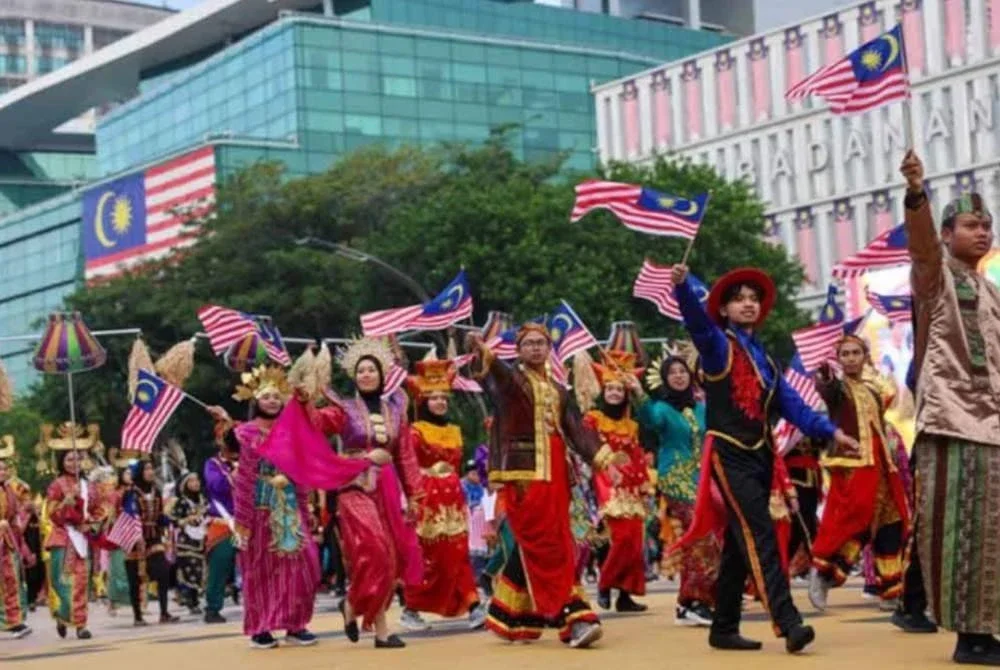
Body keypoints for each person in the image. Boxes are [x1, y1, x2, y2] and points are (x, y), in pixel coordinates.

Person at [670, 264, 860, 654]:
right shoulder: (716, 344)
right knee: (761, 535)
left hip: (760, 455)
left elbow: (793, 406)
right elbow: (695, 323)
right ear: (723, 309)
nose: (748, 305)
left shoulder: (767, 362)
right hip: (728, 452)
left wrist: (832, 431)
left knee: (742, 545)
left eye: (753, 299)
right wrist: (682, 289)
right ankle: (788, 622)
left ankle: (722, 627)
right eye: (739, 299)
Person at [900, 151, 1000, 665]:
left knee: (992, 534)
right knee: (959, 532)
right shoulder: (935, 279)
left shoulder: (991, 292)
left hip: (994, 428)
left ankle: (988, 628)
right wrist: (918, 194)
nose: (982, 232)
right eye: (970, 225)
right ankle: (969, 637)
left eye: (987, 225)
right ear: (946, 233)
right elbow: (919, 248)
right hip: (952, 422)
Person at [209, 365, 373, 650]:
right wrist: (243, 518)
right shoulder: (246, 432)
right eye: (266, 396)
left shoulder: (291, 431)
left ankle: (295, 624)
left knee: (305, 563)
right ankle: (261, 628)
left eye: (277, 396)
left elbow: (302, 468)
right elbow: (245, 474)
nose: (272, 401)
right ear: (255, 400)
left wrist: (306, 508)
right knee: (261, 569)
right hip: (260, 508)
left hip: (290, 506)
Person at [465, 323, 606, 649]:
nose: (536, 348)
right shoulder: (512, 383)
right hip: (524, 475)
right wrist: (480, 350)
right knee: (548, 544)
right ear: (518, 349)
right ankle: (574, 616)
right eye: (528, 343)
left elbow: (575, 429)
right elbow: (494, 374)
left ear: (549, 348)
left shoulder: (558, 389)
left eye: (541, 343)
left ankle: (509, 614)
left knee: (547, 540)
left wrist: (604, 458)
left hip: (557, 475)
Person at [293, 339, 422, 649]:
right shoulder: (344, 409)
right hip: (354, 487)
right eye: (360, 370)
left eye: (371, 370)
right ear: (354, 376)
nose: (365, 375)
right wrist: (305, 400)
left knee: (390, 559)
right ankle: (354, 605)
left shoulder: (396, 408)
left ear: (381, 374)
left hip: (388, 488)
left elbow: (405, 455)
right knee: (373, 552)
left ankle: (377, 628)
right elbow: (317, 423)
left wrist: (415, 494)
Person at [807, 335, 910, 611]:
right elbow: (827, 390)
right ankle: (823, 571)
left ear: (865, 356)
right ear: (838, 359)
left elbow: (888, 398)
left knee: (893, 521)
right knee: (855, 518)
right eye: (845, 354)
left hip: (882, 466)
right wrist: (826, 376)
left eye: (856, 353)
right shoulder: (839, 389)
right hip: (854, 465)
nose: (851, 358)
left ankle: (891, 589)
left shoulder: (872, 390)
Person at [399, 359, 486, 631]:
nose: (439, 402)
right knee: (430, 557)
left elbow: (458, 466)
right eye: (433, 398)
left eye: (443, 398)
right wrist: (411, 499)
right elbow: (407, 466)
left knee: (459, 554)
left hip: (453, 498)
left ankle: (473, 606)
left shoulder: (455, 431)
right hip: (428, 498)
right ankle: (411, 608)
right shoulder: (414, 431)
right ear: (423, 401)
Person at [636, 353, 715, 626]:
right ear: (665, 379)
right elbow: (649, 420)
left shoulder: (701, 408)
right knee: (699, 536)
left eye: (683, 371)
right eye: (673, 373)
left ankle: (691, 603)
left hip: (702, 479)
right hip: (675, 478)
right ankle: (694, 602)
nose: (679, 376)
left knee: (708, 537)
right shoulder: (660, 408)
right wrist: (638, 395)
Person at [582, 350, 649, 614]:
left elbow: (637, 455)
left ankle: (625, 595)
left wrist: (643, 483)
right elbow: (587, 448)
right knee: (620, 538)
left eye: (619, 389)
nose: (613, 393)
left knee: (634, 540)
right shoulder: (593, 419)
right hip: (605, 482)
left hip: (631, 485)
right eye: (609, 388)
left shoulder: (631, 425)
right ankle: (605, 583)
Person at [44, 448, 94, 639]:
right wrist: (65, 502)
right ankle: (63, 615)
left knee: (81, 581)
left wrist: (90, 525)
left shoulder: (87, 485)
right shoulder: (57, 485)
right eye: (69, 459)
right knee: (64, 582)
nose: (73, 463)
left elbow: (99, 509)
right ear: (62, 462)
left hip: (81, 538)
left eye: (76, 459)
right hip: (63, 537)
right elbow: (51, 512)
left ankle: (81, 624)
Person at [124, 460, 178, 626]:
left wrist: (168, 520)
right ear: (140, 472)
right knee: (135, 579)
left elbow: (160, 513)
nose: (150, 471)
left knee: (163, 569)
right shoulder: (130, 493)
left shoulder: (156, 491)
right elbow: (127, 514)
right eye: (146, 468)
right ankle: (138, 616)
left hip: (153, 537)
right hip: (135, 539)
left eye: (151, 468)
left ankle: (164, 612)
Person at [203, 430, 237, 624]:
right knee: (220, 565)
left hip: (247, 520)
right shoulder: (212, 465)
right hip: (223, 522)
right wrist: (234, 473)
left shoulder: (248, 460)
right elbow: (216, 486)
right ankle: (213, 607)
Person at [0, 443, 33, 639]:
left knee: (11, 580)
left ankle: (14, 621)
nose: (2, 471)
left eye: (4, 468)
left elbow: (14, 520)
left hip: (7, 542)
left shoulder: (9, 491)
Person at [783, 436, 822, 578]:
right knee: (807, 526)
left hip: (812, 479)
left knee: (797, 532)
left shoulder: (814, 421)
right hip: (793, 479)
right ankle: (819, 566)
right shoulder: (782, 423)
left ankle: (778, 571)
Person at [170, 472, 207, 615]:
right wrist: (187, 520)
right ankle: (191, 600)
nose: (195, 483)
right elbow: (174, 520)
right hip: (186, 543)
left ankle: (195, 599)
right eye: (191, 481)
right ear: (184, 485)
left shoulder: (203, 500)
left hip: (202, 540)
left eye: (197, 480)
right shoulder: (182, 502)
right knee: (189, 571)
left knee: (200, 571)